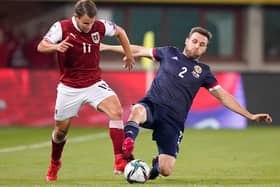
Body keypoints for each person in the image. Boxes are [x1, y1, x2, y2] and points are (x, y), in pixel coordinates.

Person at [100, 26, 273, 180]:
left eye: (201, 44)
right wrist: (107, 47)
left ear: (205, 49)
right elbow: (138, 50)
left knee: (167, 170)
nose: (197, 46)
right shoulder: (168, 52)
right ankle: (128, 142)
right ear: (187, 41)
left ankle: (156, 165)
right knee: (137, 110)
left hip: (173, 121)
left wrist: (249, 115)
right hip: (153, 106)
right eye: (195, 41)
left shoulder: (204, 72)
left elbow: (223, 96)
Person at [37, 0, 135, 181]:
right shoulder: (61, 27)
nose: (89, 27)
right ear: (76, 18)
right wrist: (55, 47)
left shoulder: (100, 26)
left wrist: (128, 54)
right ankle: (54, 163)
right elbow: (41, 46)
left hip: (94, 83)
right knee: (60, 132)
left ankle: (119, 160)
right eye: (85, 23)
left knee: (116, 111)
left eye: (91, 23)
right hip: (69, 88)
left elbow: (120, 32)